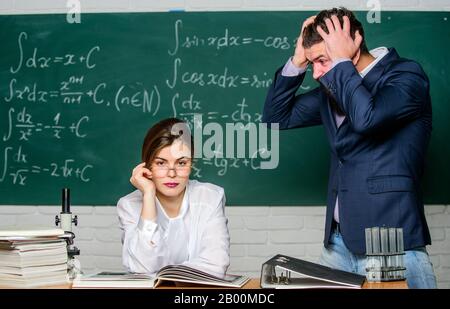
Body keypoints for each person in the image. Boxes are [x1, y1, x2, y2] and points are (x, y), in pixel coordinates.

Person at [263, 7, 436, 288]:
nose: (316, 74)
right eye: (312, 63)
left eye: (321, 60)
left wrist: (341, 61)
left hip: (392, 244)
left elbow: (368, 118)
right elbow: (275, 118)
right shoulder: (332, 89)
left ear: (352, 48)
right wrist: (298, 61)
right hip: (338, 246)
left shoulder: (406, 76)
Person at [117, 118, 230, 276]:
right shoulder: (129, 205)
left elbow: (216, 265)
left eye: (181, 163)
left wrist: (165, 274)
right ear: (147, 165)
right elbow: (142, 267)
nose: (172, 174)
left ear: (191, 163)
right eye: (161, 163)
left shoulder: (211, 197)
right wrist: (148, 195)